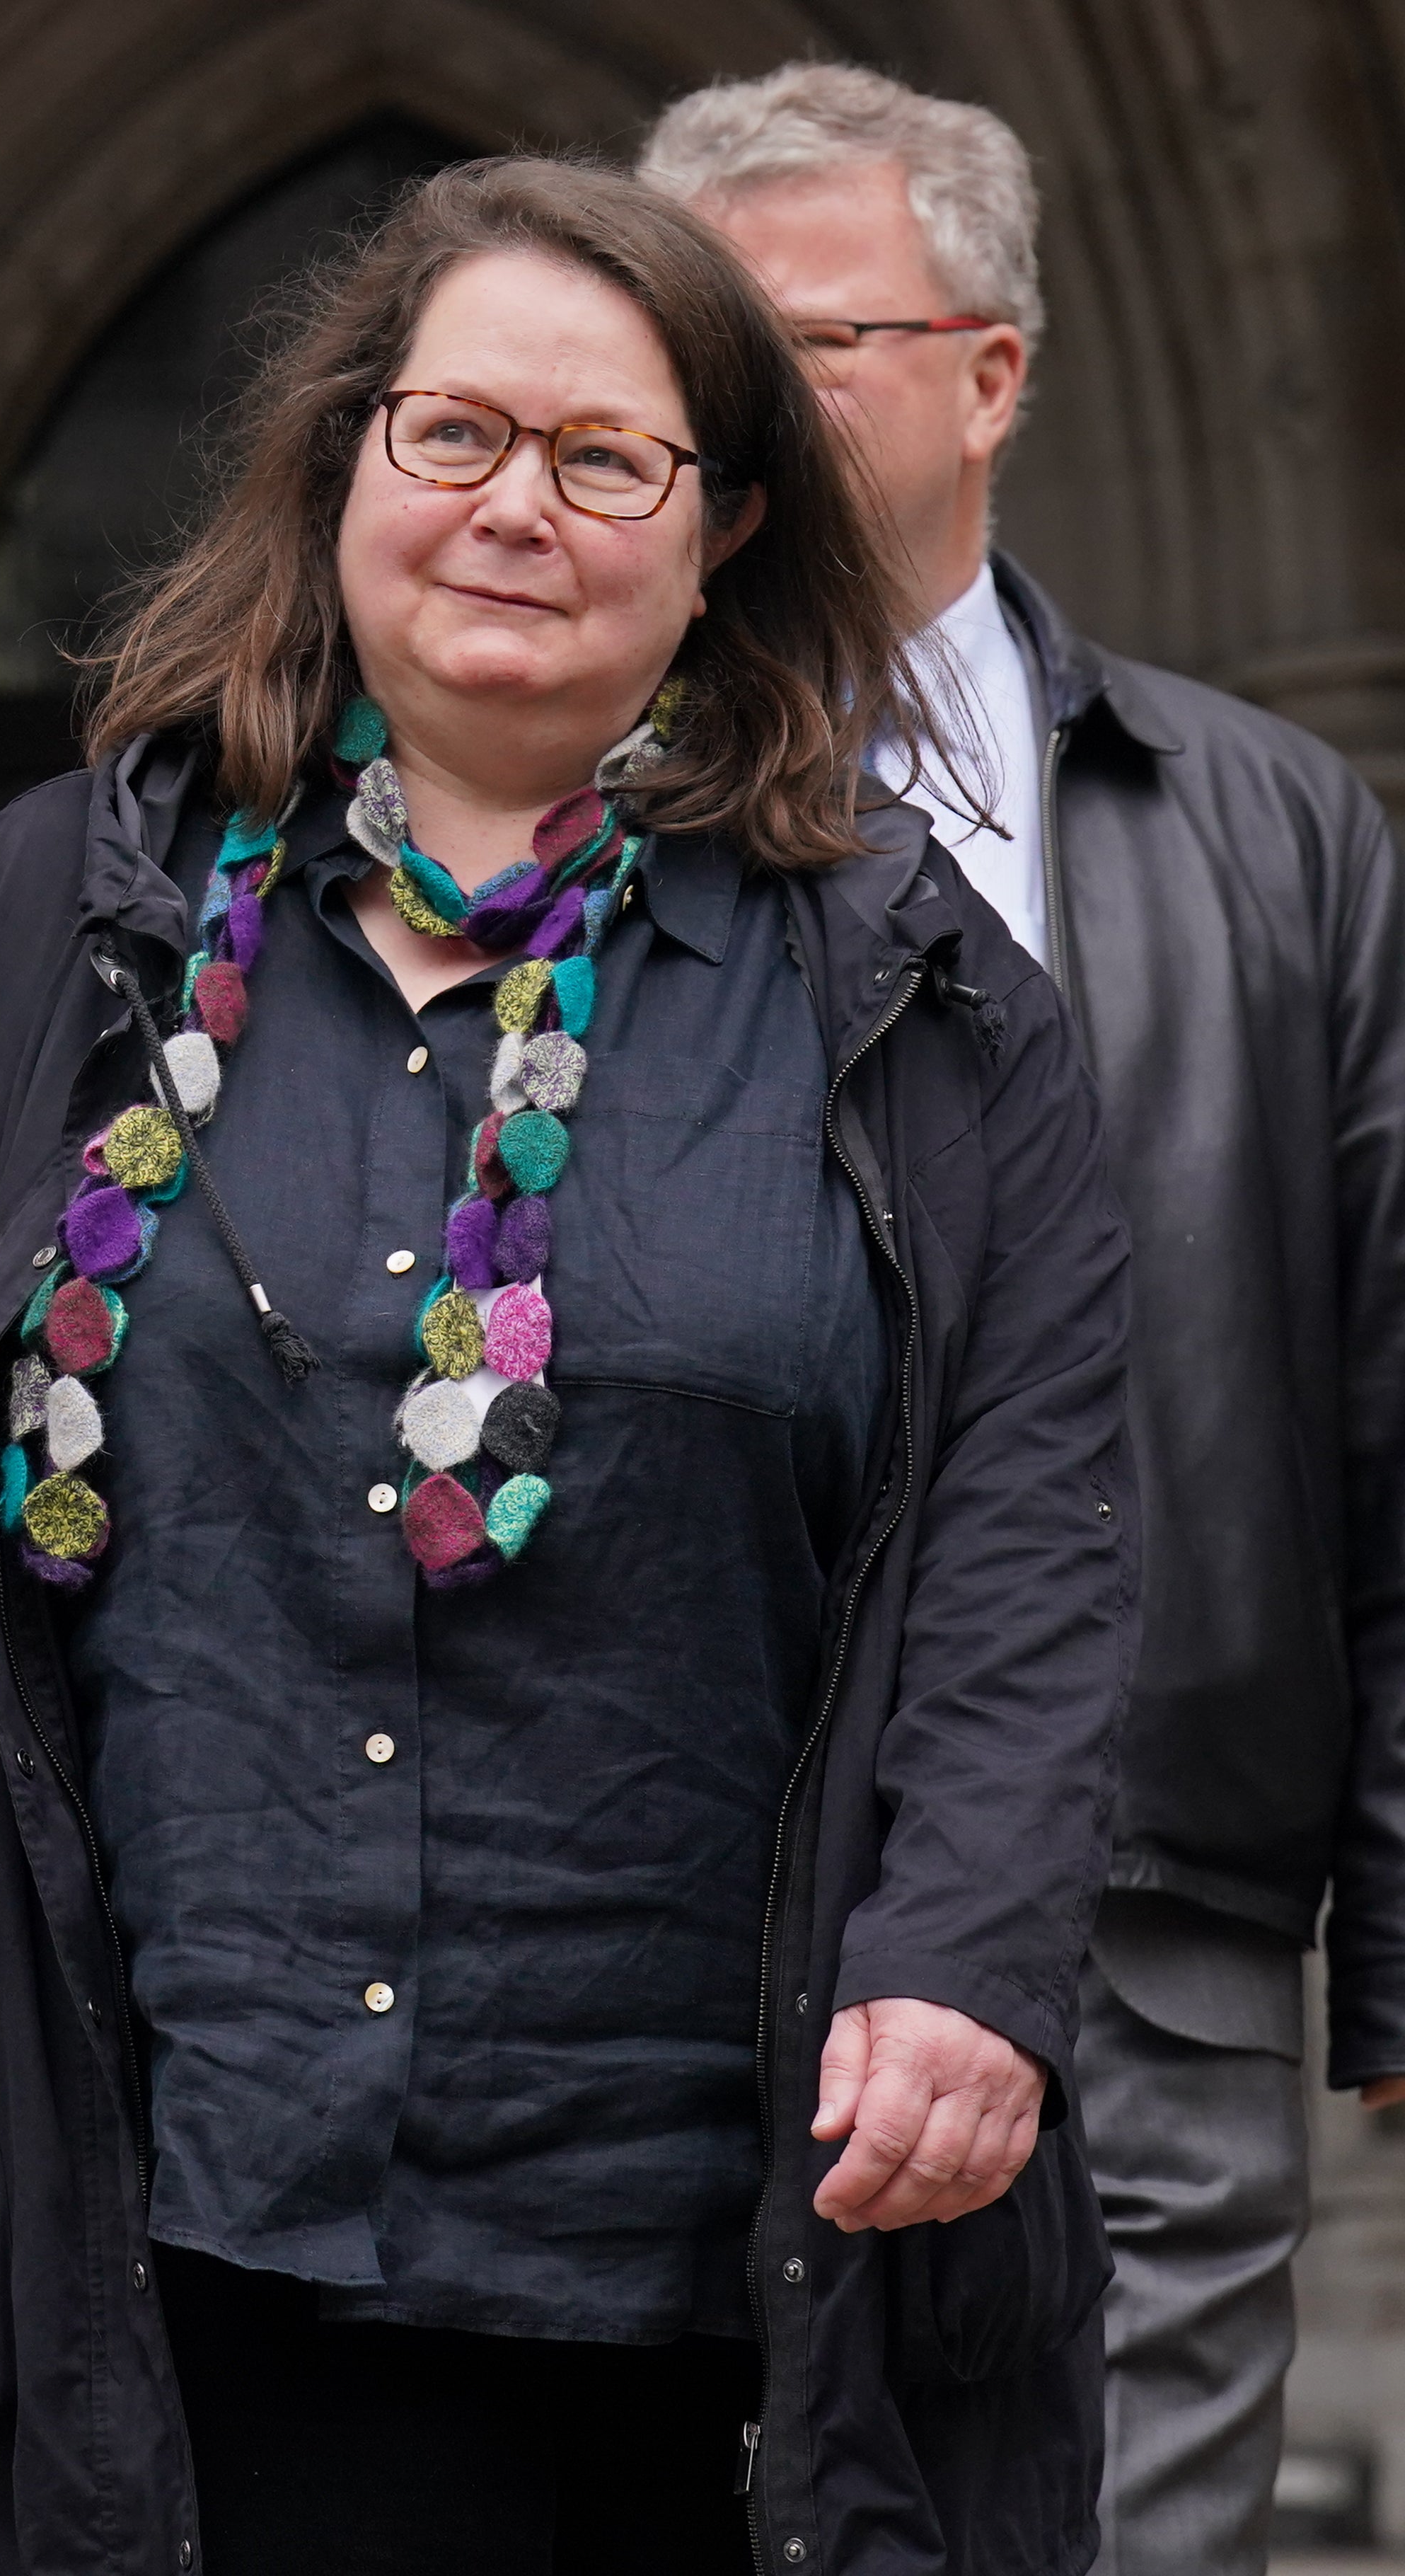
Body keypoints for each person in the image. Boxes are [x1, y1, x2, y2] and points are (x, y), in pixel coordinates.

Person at [0, 159, 1138, 2572]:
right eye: (453, 436)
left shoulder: (910, 1000)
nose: (512, 511)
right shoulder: (54, 926)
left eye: (603, 458)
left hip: (703, 2267)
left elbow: (1029, 1546)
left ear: (724, 525)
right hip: (143, 2200)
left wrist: (965, 1961)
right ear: (343, 467)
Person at [646, 65, 1405, 2571]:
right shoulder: (565, 826)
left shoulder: (1268, 830)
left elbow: (1386, 1394)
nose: (727, 405)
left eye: (806, 340)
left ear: (995, 373)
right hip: (662, 1926)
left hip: (1150, 1925)